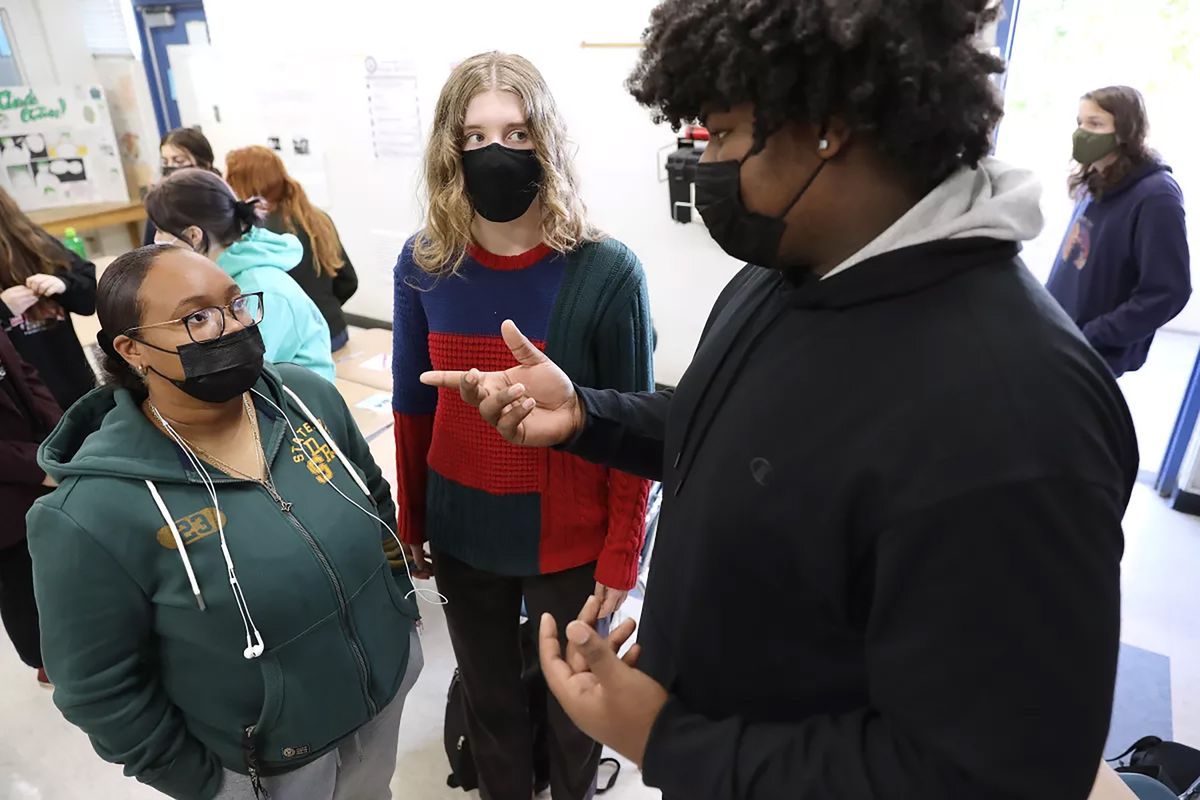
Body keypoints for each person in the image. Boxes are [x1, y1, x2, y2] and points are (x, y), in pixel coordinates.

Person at [422, 2, 1139, 799]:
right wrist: (590, 414)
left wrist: (664, 740)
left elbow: (988, 775)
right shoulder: (790, 270)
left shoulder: (1022, 416)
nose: (707, 161)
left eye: (724, 136)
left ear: (827, 128)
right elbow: (737, 436)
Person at [27, 243, 422, 800]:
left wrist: (399, 607)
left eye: (236, 306)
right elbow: (97, 689)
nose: (232, 327)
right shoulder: (87, 516)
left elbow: (373, 501)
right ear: (132, 349)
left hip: (383, 694)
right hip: (268, 765)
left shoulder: (306, 399)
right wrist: (208, 784)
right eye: (197, 317)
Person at [393, 51, 653, 800]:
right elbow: (415, 407)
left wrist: (621, 555)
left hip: (568, 538)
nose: (494, 152)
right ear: (450, 148)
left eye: (514, 131)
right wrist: (413, 517)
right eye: (474, 137)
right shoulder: (425, 262)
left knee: (577, 708)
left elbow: (632, 428)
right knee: (490, 700)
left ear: (546, 142)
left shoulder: (606, 271)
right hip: (464, 526)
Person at [1047, 85, 1191, 377]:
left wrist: (1095, 334)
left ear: (1126, 132)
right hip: (1058, 340)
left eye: (1095, 124)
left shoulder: (1156, 196)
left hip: (1090, 356)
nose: (1082, 132)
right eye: (1080, 122)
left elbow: (1168, 292)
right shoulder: (1097, 178)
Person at [145, 168, 336, 382]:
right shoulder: (212, 276)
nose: (156, 239)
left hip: (291, 404)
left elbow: (243, 374)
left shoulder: (261, 291)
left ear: (193, 235)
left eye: (161, 230)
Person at [226, 146, 358, 351]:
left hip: (300, 342)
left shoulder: (253, 236)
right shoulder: (317, 218)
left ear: (240, 184)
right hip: (335, 330)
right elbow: (348, 281)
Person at [0, 327, 61, 687]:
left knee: (60, 565)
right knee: (21, 582)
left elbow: (24, 373)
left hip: (37, 456)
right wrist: (37, 467)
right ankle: (44, 661)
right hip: (9, 494)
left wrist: (58, 435)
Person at [0, 185, 98, 408]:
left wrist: (62, 285)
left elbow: (89, 296)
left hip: (74, 388)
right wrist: (3, 309)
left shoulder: (31, 241)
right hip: (23, 405)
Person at [145, 127, 222, 246]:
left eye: (179, 161)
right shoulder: (161, 203)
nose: (171, 168)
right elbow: (148, 249)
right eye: (165, 162)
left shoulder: (222, 199)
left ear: (204, 164)